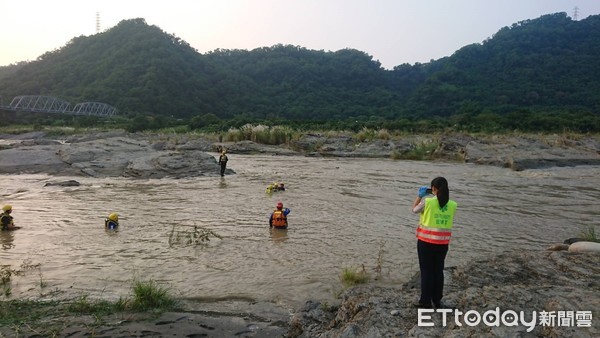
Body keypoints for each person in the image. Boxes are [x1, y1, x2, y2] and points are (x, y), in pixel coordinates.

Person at [411, 177, 458, 309]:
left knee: (426, 271)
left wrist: (419, 196)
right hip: (442, 244)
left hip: (426, 242)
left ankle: (425, 301)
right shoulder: (453, 205)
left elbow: (414, 209)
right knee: (438, 271)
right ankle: (437, 300)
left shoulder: (428, 202)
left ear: (433, 189)